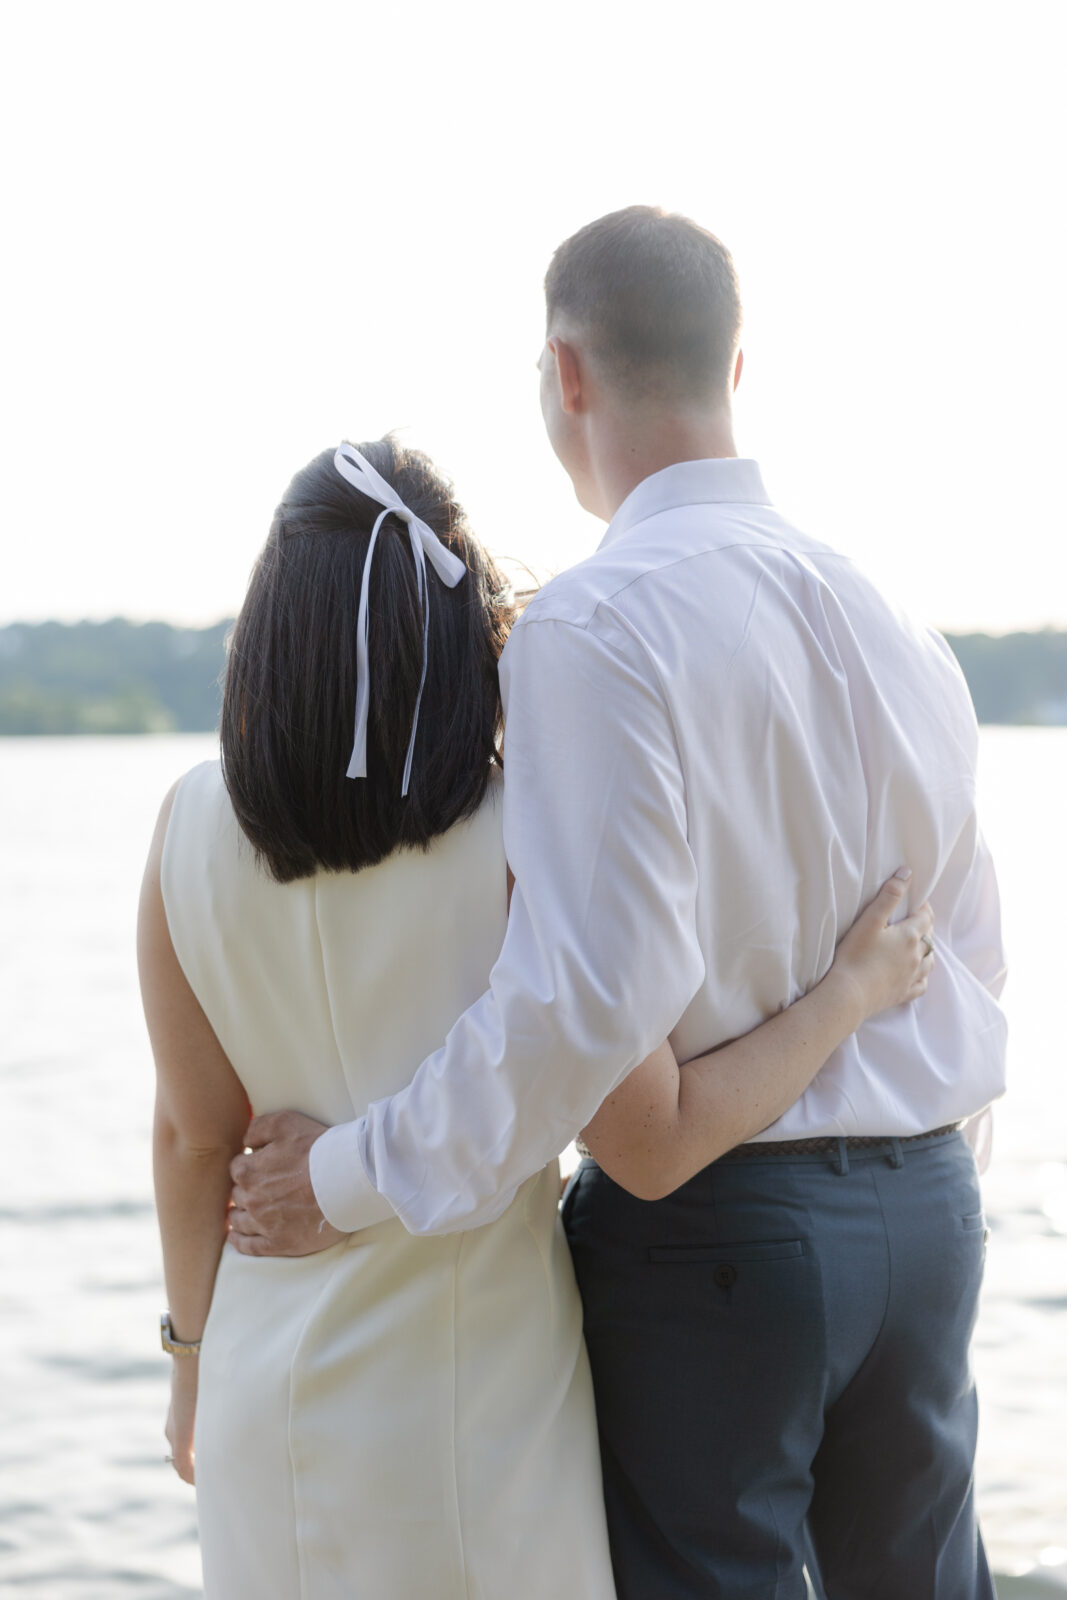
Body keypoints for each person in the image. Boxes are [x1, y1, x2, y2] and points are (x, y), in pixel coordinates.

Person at [229, 209, 1007, 1600]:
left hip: (724, 1248)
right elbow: (962, 950)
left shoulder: (596, 628)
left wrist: (341, 1179)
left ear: (563, 376)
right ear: (734, 365)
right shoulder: (896, 617)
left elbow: (578, 1010)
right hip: (932, 1214)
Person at [140, 437, 934, 1599]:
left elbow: (191, 1142)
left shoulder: (183, 827)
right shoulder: (521, 838)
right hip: (475, 1407)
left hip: (261, 1390)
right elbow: (644, 1124)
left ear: (269, 634)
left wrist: (190, 1365)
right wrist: (849, 993)